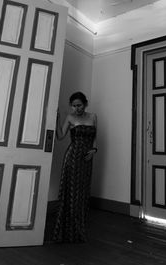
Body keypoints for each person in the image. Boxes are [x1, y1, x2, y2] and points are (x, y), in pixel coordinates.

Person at [52, 91, 97, 243]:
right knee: (70, 192)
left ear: (85, 104)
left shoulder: (93, 117)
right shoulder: (70, 117)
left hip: (86, 159)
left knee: (82, 191)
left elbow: (95, 137)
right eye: (74, 106)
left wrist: (94, 150)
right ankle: (68, 227)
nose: (77, 108)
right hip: (72, 158)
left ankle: (80, 225)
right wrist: (57, 119)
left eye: (79, 105)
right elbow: (60, 136)